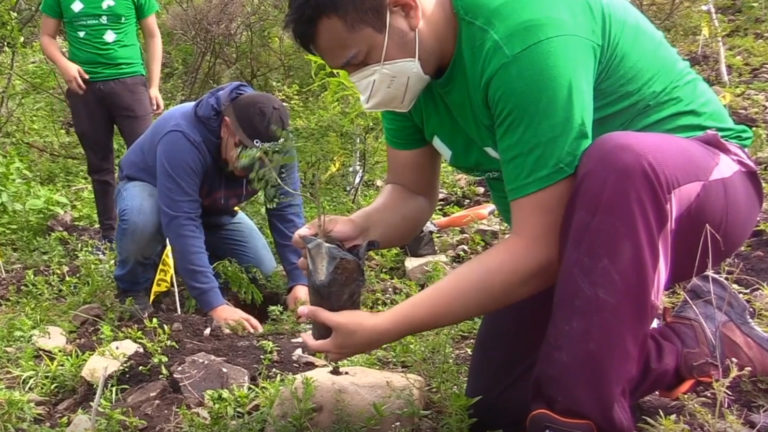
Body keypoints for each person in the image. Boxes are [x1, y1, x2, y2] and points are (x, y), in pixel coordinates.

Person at [283, 0, 768, 431]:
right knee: (500, 403)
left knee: (619, 161)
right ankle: (699, 339)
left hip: (702, 190)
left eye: (359, 62)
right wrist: (359, 227)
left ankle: (582, 416)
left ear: (405, 8)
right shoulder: (409, 71)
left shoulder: (525, 32)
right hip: (578, 238)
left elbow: (540, 250)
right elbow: (409, 194)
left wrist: (388, 324)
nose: (363, 82)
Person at [114, 82, 309, 332]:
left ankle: (202, 269)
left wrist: (299, 281)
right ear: (226, 127)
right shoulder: (183, 136)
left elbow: (286, 210)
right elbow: (183, 222)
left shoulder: (278, 144)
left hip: (213, 207)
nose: (248, 166)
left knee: (263, 273)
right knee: (142, 220)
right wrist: (215, 305)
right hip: (151, 188)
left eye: (261, 160)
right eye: (244, 151)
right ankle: (133, 289)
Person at [40, 0, 164, 244]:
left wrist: (153, 86)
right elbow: (46, 36)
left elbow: (153, 36)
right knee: (99, 166)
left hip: (129, 82)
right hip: (84, 87)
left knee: (149, 161)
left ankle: (159, 232)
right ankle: (109, 235)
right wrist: (64, 64)